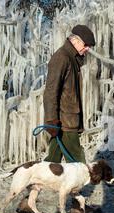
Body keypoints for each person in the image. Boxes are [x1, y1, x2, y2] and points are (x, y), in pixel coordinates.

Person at [43, 25, 96, 164]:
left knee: (52, 162)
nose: (88, 49)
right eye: (86, 45)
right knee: (78, 165)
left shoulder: (73, 59)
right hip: (64, 122)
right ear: (75, 41)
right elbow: (50, 90)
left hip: (67, 120)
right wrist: (51, 119)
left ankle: (37, 184)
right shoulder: (61, 57)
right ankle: (80, 186)